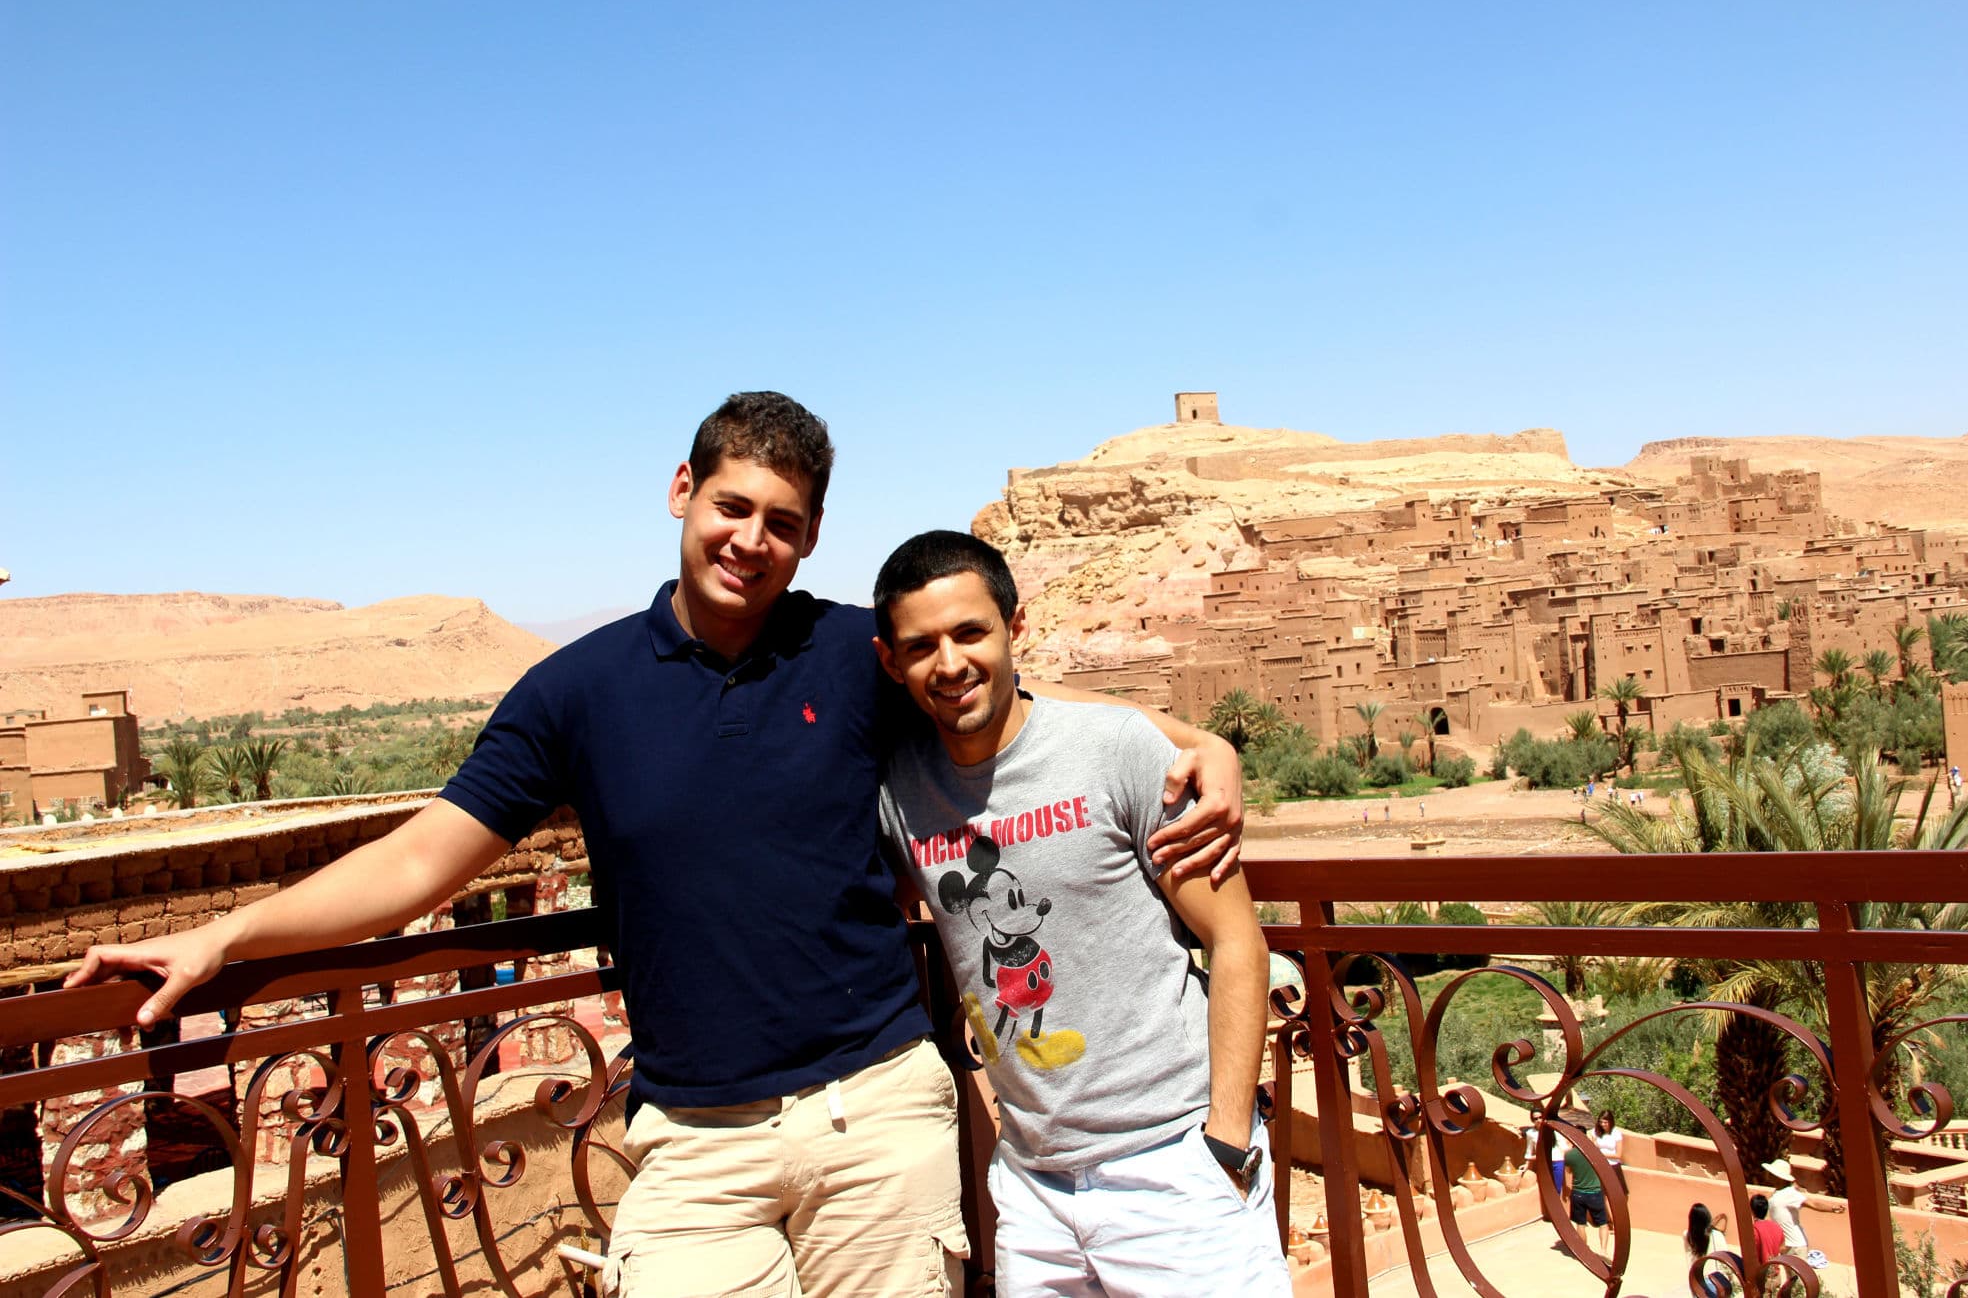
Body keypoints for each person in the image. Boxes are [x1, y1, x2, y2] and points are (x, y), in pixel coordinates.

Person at [64, 393, 1244, 1298]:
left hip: (878, 1114)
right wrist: (226, 935)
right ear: (683, 490)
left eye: (782, 524)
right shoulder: (574, 693)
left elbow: (1021, 711)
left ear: (809, 538)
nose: (750, 540)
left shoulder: (854, 656)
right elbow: (421, 860)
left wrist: (1204, 746)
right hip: (691, 1137)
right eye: (732, 506)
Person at [871, 532, 1289, 1296]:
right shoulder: (901, 792)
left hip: (1174, 1165)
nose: (951, 663)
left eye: (970, 633)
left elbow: (1235, 939)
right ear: (891, 663)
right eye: (921, 646)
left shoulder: (1115, 749)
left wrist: (1227, 1140)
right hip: (1032, 1188)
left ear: (1015, 628)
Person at [1762, 1159, 1845, 1260]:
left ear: (1779, 1177)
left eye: (1771, 1174)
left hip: (1795, 1246)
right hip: (1785, 1245)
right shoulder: (1778, 1193)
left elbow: (1812, 1203)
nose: (1769, 1175)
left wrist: (1832, 1208)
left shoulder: (1790, 1193)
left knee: (1795, 1271)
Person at [1559, 1130, 1611, 1256]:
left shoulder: (1569, 1155)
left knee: (1580, 1224)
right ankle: (1603, 1251)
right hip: (1594, 1192)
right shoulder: (1594, 1152)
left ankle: (1584, 1251)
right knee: (1603, 1224)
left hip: (1578, 1193)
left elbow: (1569, 1171)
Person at [1686, 1202, 1736, 1297]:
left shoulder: (1687, 1237)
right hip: (1717, 1282)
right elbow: (1726, 1260)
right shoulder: (1717, 1235)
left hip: (1697, 1282)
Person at [1749, 1194, 1784, 1273]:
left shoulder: (1754, 1229)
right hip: (1775, 1273)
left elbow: (1751, 1254)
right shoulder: (1777, 1227)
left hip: (1759, 1274)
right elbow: (1782, 1248)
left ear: (1751, 1210)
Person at [1594, 1109, 1625, 1186]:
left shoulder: (1616, 1133)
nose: (1603, 1124)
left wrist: (1601, 1155)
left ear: (1610, 1122)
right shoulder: (1596, 1132)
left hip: (1613, 1166)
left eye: (1605, 1122)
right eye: (1601, 1122)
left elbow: (1618, 1155)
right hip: (1600, 1165)